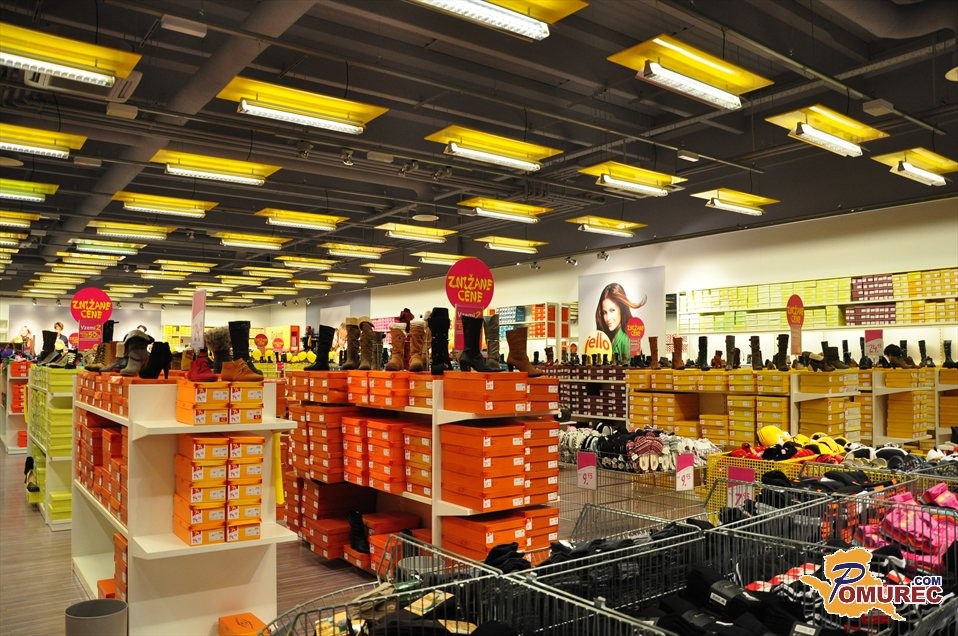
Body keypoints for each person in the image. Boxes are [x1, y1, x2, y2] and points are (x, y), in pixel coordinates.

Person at [595, 283, 647, 362]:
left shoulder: (626, 340)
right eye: (604, 312)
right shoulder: (610, 336)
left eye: (612, 310)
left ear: (621, 309)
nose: (608, 318)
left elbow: (631, 368)